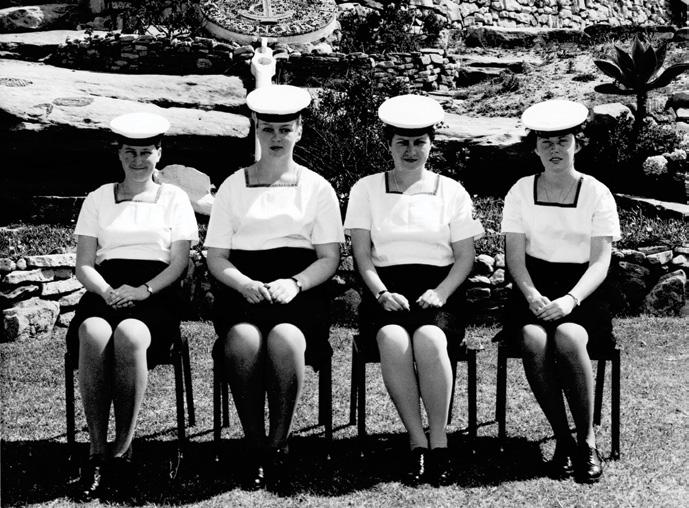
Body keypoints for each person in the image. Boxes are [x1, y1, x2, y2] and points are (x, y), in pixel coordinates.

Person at [205, 84, 344, 491]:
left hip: (299, 290)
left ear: (299, 130)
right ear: (256, 130)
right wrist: (244, 283)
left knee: (285, 338)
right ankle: (254, 444)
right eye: (267, 129)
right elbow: (217, 257)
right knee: (243, 341)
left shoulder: (317, 187)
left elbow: (329, 258)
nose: (277, 138)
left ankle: (279, 444)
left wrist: (296, 283)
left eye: (285, 129)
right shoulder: (233, 186)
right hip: (243, 288)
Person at [344, 94, 484, 485]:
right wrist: (381, 293)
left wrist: (441, 292)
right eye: (401, 142)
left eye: (419, 142)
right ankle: (416, 442)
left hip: (439, 291)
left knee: (429, 338)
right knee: (392, 339)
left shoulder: (452, 191)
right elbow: (361, 256)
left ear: (431, 145)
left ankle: (439, 442)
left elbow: (465, 258)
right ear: (388, 145)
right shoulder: (366, 189)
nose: (410, 151)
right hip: (385, 291)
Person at [68, 112, 198, 500]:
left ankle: (123, 451)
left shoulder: (174, 198)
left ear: (159, 153)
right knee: (93, 330)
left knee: (130, 333)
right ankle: (97, 453)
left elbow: (179, 262)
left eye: (146, 152)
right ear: (119, 154)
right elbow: (84, 264)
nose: (138, 161)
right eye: (130, 152)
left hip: (156, 291)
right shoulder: (97, 198)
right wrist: (107, 292)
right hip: (106, 286)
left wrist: (144, 290)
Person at [501, 99, 621, 483]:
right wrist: (531, 295)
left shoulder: (597, 193)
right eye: (546, 142)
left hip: (583, 290)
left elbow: (600, 262)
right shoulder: (520, 191)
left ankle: (587, 442)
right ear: (535, 148)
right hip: (533, 287)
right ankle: (563, 439)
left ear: (577, 145)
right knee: (533, 339)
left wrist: (570, 300)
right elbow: (515, 258)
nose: (555, 149)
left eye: (563, 141)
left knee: (569, 335)